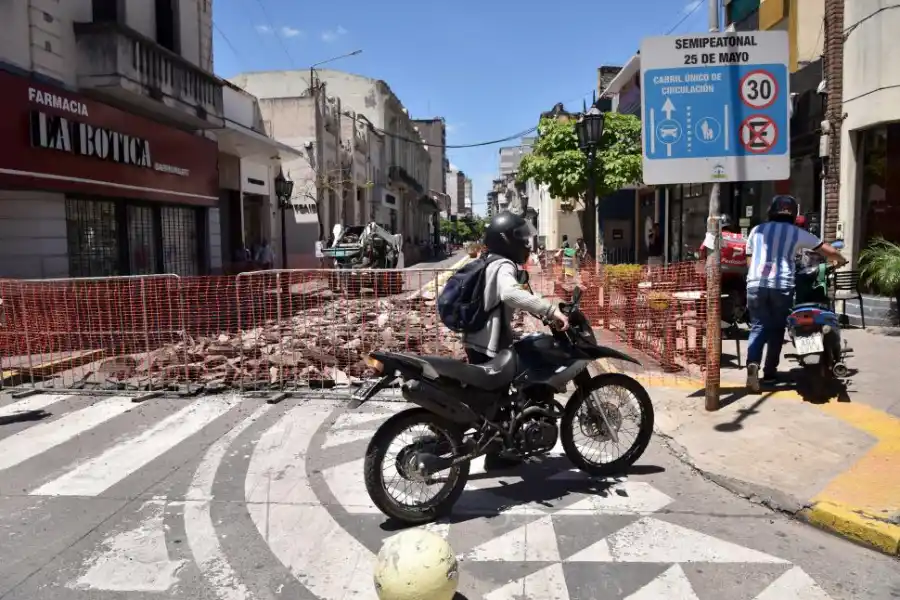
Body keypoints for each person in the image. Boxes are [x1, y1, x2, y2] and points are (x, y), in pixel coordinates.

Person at [463, 212, 569, 469]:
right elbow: (509, 293)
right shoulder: (503, 265)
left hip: (479, 339)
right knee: (507, 394)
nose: (525, 243)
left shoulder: (490, 260)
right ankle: (497, 451)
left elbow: (509, 297)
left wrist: (535, 307)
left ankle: (500, 452)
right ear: (506, 240)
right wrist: (550, 310)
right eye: (520, 237)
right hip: (489, 344)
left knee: (499, 401)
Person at [744, 195, 847, 392]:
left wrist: (755, 275)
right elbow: (827, 250)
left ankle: (753, 364)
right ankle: (770, 374)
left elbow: (749, 257)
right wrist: (841, 259)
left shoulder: (756, 230)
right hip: (782, 285)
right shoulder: (796, 232)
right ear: (793, 214)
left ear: (771, 211)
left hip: (755, 284)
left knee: (758, 326)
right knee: (775, 329)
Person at [699, 214, 748, 326]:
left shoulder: (715, 235)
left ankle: (703, 318)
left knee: (702, 290)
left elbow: (702, 250)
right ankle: (739, 312)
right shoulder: (742, 237)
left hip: (718, 275)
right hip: (737, 276)